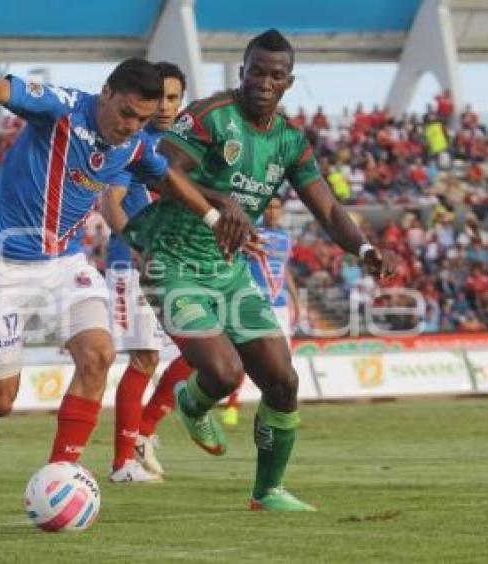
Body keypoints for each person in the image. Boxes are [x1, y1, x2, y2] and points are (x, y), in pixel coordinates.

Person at [0, 56, 250, 504]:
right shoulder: (61, 108)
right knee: (0, 400)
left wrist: (215, 216)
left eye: (141, 120)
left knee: (98, 355)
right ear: (107, 94)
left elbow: (170, 182)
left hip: (65, 265)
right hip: (1, 269)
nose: (131, 126)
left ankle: (62, 473)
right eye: (126, 114)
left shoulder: (134, 147)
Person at [122, 29, 395, 511]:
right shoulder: (209, 116)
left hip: (227, 272)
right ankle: (192, 400)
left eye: (276, 75)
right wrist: (219, 199)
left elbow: (328, 210)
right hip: (171, 262)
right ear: (241, 71)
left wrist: (364, 247)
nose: (265, 82)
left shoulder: (289, 141)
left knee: (283, 381)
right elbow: (161, 171)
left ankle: (267, 492)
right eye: (257, 71)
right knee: (225, 372)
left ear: (288, 82)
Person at [99, 62, 186, 483]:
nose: (167, 106)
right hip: (130, 265)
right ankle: (123, 463)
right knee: (145, 357)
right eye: (162, 98)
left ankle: (144, 433)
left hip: (173, 266)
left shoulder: (183, 145)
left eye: (174, 98)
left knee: (207, 348)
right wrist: (136, 244)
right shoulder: (133, 144)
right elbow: (109, 203)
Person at [221, 195, 300, 426]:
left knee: (283, 363)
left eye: (277, 207)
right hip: (256, 303)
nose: (273, 212)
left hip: (281, 305)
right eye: (269, 207)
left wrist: (296, 300)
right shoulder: (252, 234)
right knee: (251, 358)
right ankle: (232, 405)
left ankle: (274, 410)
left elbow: (285, 271)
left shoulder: (286, 238)